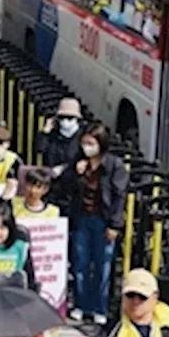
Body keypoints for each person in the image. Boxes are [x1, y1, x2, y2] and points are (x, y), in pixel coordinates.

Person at [59, 122, 130, 324]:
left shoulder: (114, 166)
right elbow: (65, 186)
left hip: (103, 220)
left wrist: (115, 225)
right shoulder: (79, 162)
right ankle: (82, 304)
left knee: (102, 265)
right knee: (80, 263)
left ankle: (100, 307)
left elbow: (119, 196)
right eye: (84, 143)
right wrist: (75, 172)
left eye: (91, 143)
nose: (86, 147)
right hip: (82, 218)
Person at [36, 97, 85, 203]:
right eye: (62, 118)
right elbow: (40, 149)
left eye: (70, 118)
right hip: (52, 189)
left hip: (72, 191)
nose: (65, 121)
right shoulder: (53, 135)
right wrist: (45, 131)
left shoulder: (82, 137)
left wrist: (64, 168)